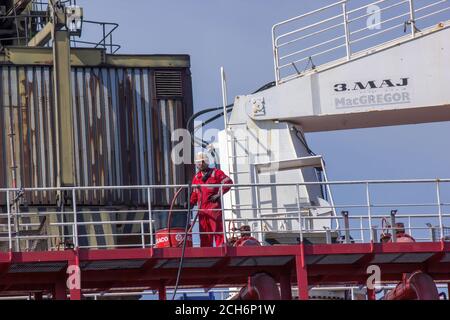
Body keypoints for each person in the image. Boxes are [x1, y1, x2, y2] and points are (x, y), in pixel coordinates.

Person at [190, 152, 233, 247]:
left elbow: (228, 182)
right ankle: (206, 252)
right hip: (202, 211)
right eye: (198, 162)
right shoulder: (197, 178)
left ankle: (221, 248)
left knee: (218, 231)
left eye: (202, 162)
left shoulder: (216, 173)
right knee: (205, 233)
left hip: (214, 209)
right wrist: (191, 203)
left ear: (207, 162)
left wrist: (218, 194)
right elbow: (194, 193)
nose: (200, 164)